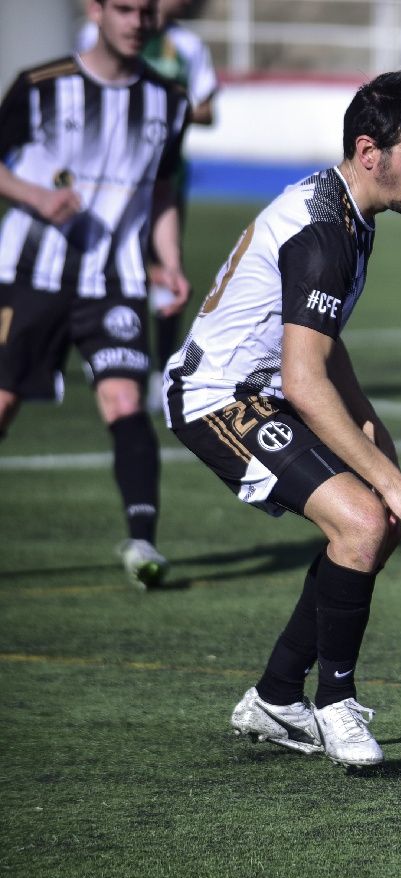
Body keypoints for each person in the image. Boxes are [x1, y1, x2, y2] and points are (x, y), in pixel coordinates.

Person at [164, 64, 401, 767]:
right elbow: (302, 373)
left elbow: (322, 346)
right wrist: (390, 481)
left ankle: (275, 695)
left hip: (267, 391)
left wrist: (368, 425)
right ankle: (335, 704)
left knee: (370, 529)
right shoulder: (327, 233)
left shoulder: (350, 214)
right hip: (218, 397)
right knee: (363, 518)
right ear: (368, 151)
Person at [0, 0, 191, 588]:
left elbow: (160, 190)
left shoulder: (169, 100)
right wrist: (36, 198)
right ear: (96, 10)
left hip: (115, 280)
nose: (139, 22)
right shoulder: (39, 86)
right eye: (126, 9)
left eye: (148, 11)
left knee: (125, 403)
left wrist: (170, 260)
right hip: (29, 274)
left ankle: (142, 544)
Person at [79, 0, 220, 407]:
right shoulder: (97, 35)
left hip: (164, 179)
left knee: (166, 273)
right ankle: (99, 352)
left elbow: (207, 109)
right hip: (104, 180)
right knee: (105, 265)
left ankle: (161, 368)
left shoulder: (187, 47)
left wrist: (159, 106)